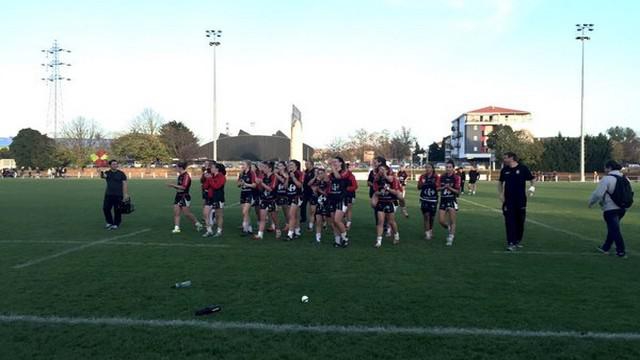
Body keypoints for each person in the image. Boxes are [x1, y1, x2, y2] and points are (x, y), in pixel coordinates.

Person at [589, 160, 631, 258]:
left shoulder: (607, 179)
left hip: (610, 208)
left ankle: (621, 251)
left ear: (610, 168)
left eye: (605, 168)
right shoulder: (625, 178)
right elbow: (629, 193)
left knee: (614, 230)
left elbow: (598, 194)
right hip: (622, 208)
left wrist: (591, 202)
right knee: (613, 228)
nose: (604, 170)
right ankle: (605, 247)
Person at [498, 152, 536, 251]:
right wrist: (501, 194)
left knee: (520, 221)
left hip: (521, 200)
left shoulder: (523, 168)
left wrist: (532, 188)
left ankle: (517, 240)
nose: (504, 160)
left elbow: (532, 179)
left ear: (511, 158)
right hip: (508, 200)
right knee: (510, 221)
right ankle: (511, 242)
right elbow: (500, 182)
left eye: (505, 158)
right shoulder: (504, 170)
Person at [168, 162, 203, 234]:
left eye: (176, 167)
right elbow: (179, 188)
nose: (175, 168)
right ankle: (177, 228)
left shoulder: (186, 176)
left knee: (187, 213)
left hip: (184, 196)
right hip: (178, 196)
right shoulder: (180, 176)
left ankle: (198, 224)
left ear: (181, 168)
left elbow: (184, 187)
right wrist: (175, 187)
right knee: (176, 212)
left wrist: (173, 185)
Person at [372, 164, 402, 247]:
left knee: (391, 221)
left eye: (383, 169)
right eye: (380, 169)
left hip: (391, 201)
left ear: (387, 170)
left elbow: (396, 192)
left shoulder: (392, 178)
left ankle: (396, 235)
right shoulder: (377, 179)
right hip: (381, 202)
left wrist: (388, 189)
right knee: (380, 221)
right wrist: (380, 192)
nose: (381, 171)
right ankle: (378, 241)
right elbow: (376, 191)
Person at [327, 157, 351, 248]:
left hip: (341, 199)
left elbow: (338, 177)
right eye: (333, 162)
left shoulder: (345, 172)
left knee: (337, 220)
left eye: (335, 162)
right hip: (332, 198)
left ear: (341, 163)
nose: (334, 163)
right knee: (333, 222)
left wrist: (332, 167)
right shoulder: (332, 173)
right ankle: (337, 241)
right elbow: (327, 181)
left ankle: (345, 238)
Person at [253, 161, 280, 240]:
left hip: (272, 199)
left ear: (270, 169)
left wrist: (261, 183)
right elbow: (261, 188)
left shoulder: (274, 176)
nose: (263, 169)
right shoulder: (263, 176)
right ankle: (260, 234)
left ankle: (278, 230)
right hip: (264, 199)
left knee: (274, 217)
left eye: (265, 167)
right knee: (262, 217)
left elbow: (270, 189)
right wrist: (258, 183)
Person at [100, 160, 129, 230]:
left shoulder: (121, 173)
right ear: (110, 165)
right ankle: (109, 222)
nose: (115, 165)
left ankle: (116, 224)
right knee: (106, 208)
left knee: (117, 210)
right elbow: (103, 176)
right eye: (113, 164)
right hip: (108, 194)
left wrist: (125, 194)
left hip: (118, 195)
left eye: (116, 164)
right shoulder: (107, 173)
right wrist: (100, 171)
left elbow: (124, 184)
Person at [437, 160, 461, 246]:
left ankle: (451, 237)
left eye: (450, 167)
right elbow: (437, 188)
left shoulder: (456, 177)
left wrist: (450, 188)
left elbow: (458, 192)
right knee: (441, 221)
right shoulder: (442, 177)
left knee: (452, 220)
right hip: (443, 200)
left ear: (453, 168)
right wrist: (444, 187)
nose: (448, 169)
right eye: (447, 167)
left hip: (451, 200)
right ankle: (449, 228)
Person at [203, 163, 226, 237]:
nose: (211, 169)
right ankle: (209, 231)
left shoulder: (222, 177)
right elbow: (205, 186)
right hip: (209, 197)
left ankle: (219, 231)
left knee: (218, 215)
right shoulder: (211, 176)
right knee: (206, 214)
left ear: (217, 169)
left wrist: (209, 179)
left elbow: (216, 186)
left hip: (218, 198)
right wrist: (207, 179)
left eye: (212, 167)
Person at [418, 163, 439, 240]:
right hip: (424, 198)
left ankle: (430, 230)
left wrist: (432, 184)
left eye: (429, 167)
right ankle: (427, 233)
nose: (427, 169)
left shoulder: (436, 177)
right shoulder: (422, 177)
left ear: (432, 168)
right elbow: (418, 187)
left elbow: (438, 187)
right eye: (426, 167)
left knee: (432, 217)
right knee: (426, 216)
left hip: (433, 199)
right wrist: (423, 184)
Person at [309, 167, 330, 243]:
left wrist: (319, 190)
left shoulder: (328, 182)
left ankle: (339, 236)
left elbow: (327, 193)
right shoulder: (317, 181)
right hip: (319, 202)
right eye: (318, 173)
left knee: (331, 222)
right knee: (318, 220)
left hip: (327, 203)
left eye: (321, 173)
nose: (320, 175)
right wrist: (315, 190)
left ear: (325, 174)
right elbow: (311, 186)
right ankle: (318, 237)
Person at [285, 160, 304, 240]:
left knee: (291, 215)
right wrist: (287, 178)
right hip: (289, 195)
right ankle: (297, 231)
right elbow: (285, 186)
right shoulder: (288, 173)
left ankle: (290, 234)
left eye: (292, 164)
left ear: (296, 166)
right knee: (295, 215)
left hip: (297, 196)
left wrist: (293, 177)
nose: (290, 166)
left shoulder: (300, 173)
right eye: (289, 164)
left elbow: (300, 185)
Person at [238, 160, 257, 235]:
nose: (242, 165)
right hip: (243, 193)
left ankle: (245, 229)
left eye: (243, 164)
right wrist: (240, 184)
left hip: (250, 193)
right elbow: (238, 184)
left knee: (245, 212)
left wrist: (245, 184)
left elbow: (254, 185)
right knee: (245, 213)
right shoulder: (241, 173)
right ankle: (249, 229)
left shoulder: (252, 173)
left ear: (248, 165)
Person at [300, 160, 316, 230]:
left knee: (312, 208)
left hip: (312, 191)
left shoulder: (315, 171)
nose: (306, 165)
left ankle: (313, 221)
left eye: (308, 164)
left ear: (312, 164)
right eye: (306, 164)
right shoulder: (305, 172)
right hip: (305, 191)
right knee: (302, 205)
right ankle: (303, 218)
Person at [344, 163, 358, 230]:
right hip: (343, 195)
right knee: (344, 210)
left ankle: (348, 224)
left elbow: (355, 186)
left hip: (350, 195)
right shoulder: (341, 175)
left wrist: (346, 188)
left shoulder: (351, 176)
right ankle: (346, 222)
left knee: (348, 210)